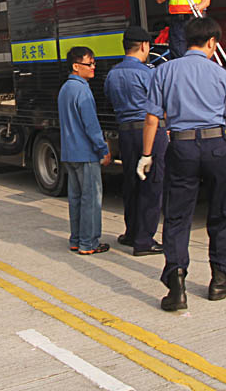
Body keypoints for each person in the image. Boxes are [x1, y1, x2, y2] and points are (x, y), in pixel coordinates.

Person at [138, 17, 226, 311]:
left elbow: (152, 118)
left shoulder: (164, 71)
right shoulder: (221, 75)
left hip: (181, 147)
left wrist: (146, 155)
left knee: (177, 217)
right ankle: (220, 279)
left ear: (186, 41)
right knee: (221, 213)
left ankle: (177, 286)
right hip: (215, 148)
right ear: (211, 42)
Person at [103, 26, 165, 256]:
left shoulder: (113, 74)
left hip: (126, 133)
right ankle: (145, 240)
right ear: (144, 46)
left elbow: (109, 99)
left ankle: (131, 233)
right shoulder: (148, 73)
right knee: (151, 183)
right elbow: (160, 105)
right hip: (148, 132)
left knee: (131, 183)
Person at [58, 46, 112, 256]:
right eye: (89, 64)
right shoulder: (82, 90)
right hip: (86, 153)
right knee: (91, 199)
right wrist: (102, 148)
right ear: (75, 66)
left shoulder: (65, 89)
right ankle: (89, 243)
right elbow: (91, 124)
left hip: (70, 153)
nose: (93, 68)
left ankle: (77, 239)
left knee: (76, 198)